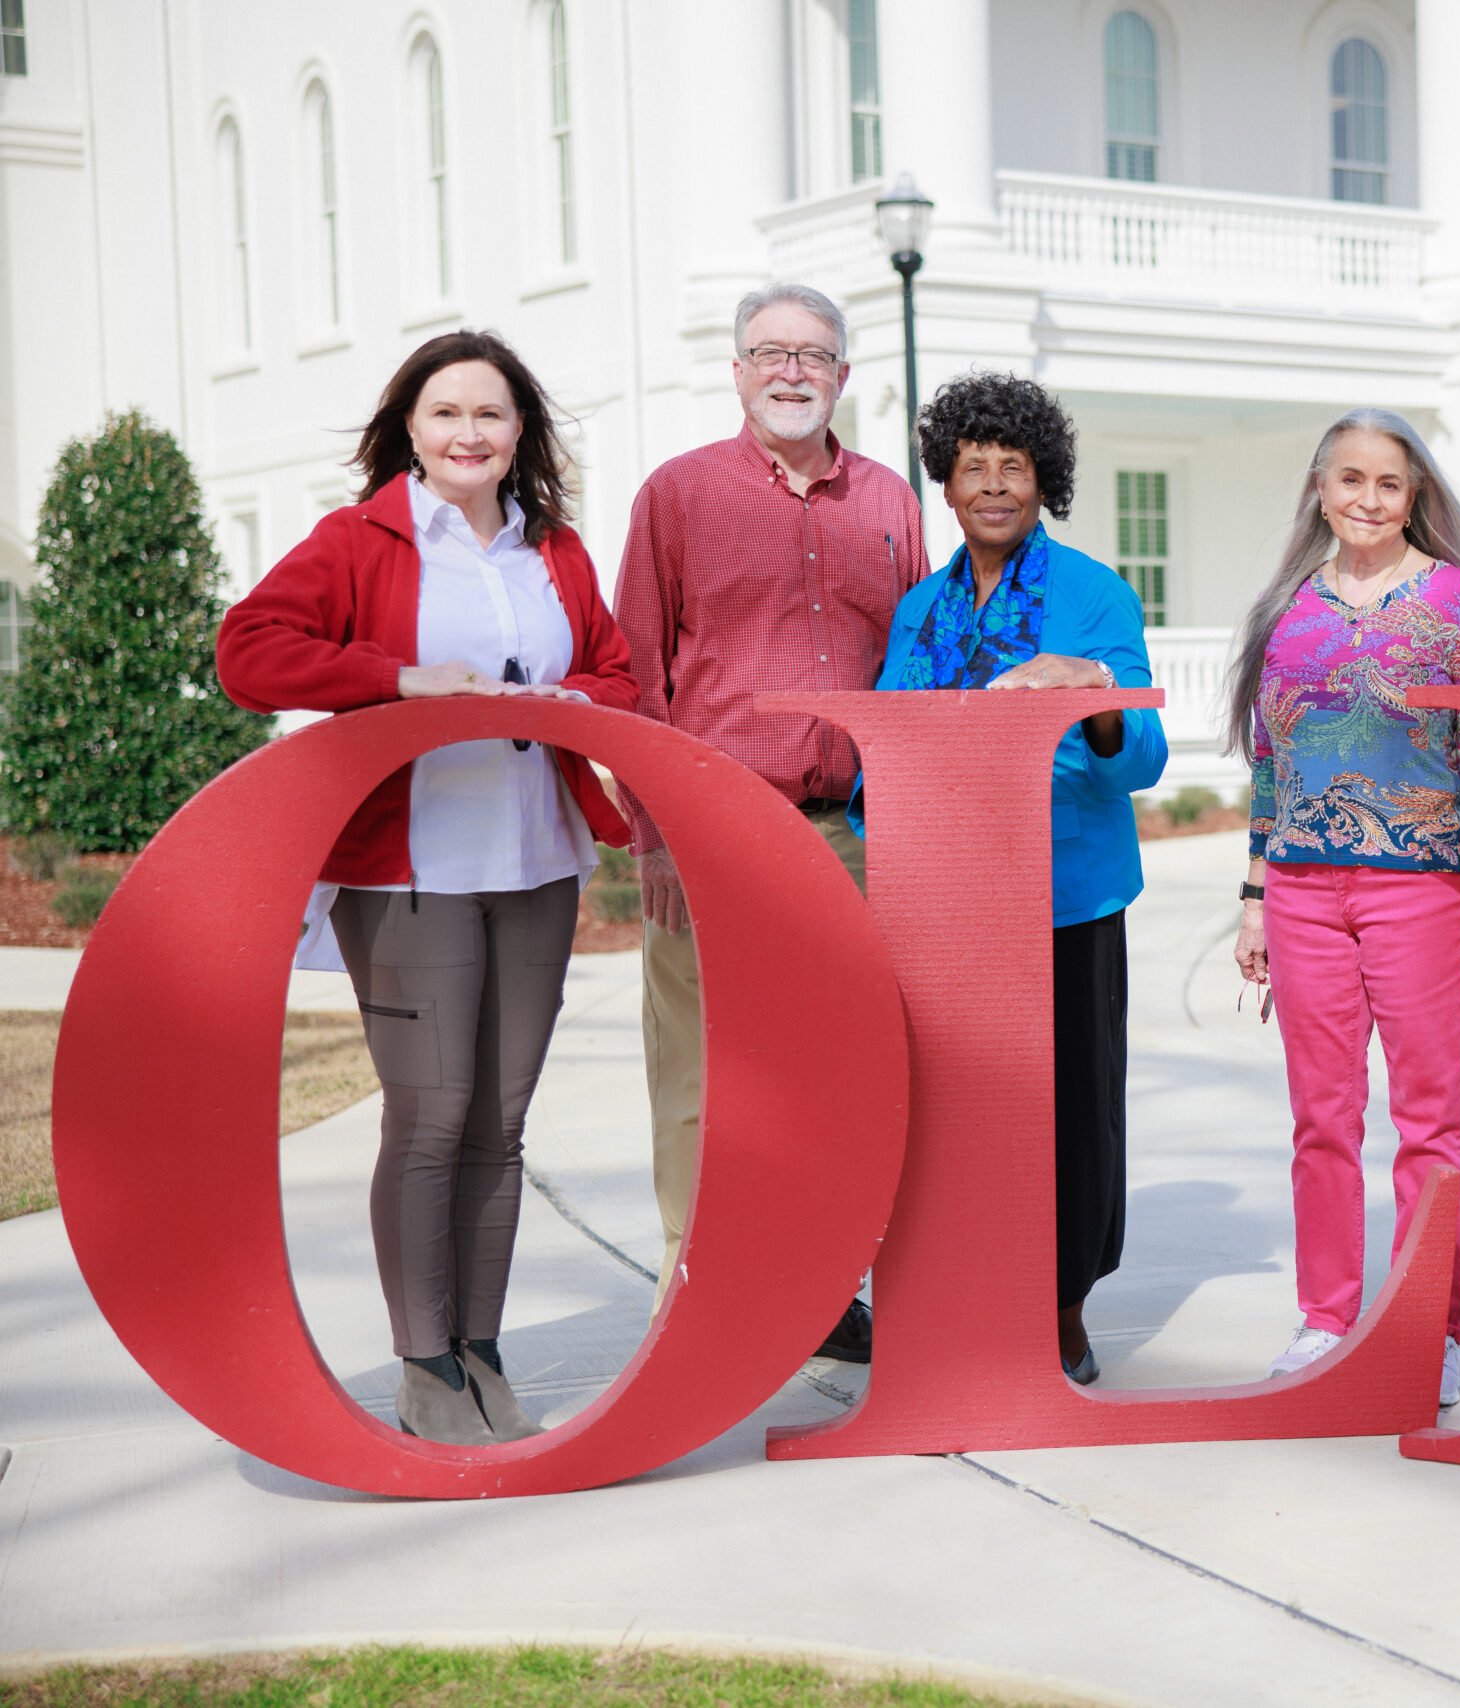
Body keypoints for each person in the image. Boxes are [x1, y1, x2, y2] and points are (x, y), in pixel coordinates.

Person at [216, 329, 638, 1445]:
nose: (468, 433)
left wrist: (582, 702)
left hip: (540, 859)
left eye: (490, 416)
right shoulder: (362, 540)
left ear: (519, 435)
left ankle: (479, 1353)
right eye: (446, 413)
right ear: (410, 424)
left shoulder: (555, 550)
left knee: (499, 1123)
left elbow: (616, 668)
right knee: (431, 1113)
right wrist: (398, 681)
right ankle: (422, 1365)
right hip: (409, 867)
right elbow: (248, 648)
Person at [613, 284, 924, 1362]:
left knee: (841, 1076)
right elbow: (633, 672)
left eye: (814, 355)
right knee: (703, 1077)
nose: (791, 371)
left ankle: (822, 1290)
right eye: (769, 353)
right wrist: (652, 831)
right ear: (738, 370)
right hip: (713, 830)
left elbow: (915, 670)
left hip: (853, 832)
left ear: (844, 374)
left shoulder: (890, 501)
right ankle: (694, 1303)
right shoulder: (677, 494)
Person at [868, 371, 1166, 1384]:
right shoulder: (920, 609)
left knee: (1074, 1111)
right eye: (971, 468)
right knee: (959, 1111)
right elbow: (887, 750)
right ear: (944, 488)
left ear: (1044, 481)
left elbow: (1143, 759)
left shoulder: (1091, 593)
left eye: (1014, 466)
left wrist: (1091, 693)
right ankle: (972, 1292)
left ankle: (1063, 1308)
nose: (993, 485)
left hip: (1066, 893)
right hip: (950, 905)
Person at [1227, 409, 1460, 1412]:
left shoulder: (1454, 603)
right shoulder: (1286, 608)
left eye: (1389, 482)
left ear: (1415, 493)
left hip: (1417, 886)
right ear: (1319, 486)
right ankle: (1327, 1316)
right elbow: (1272, 764)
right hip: (1302, 888)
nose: (1368, 499)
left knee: (1432, 1122)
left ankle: (1437, 1323)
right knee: (1321, 1119)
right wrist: (1254, 896)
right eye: (1350, 479)